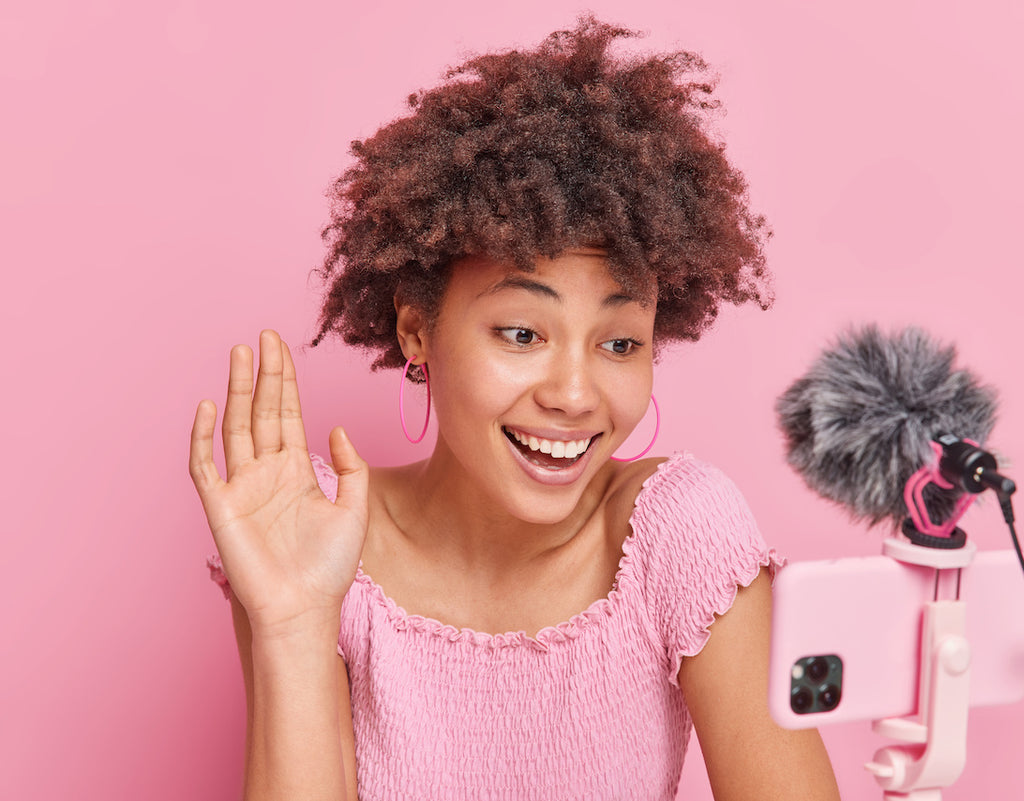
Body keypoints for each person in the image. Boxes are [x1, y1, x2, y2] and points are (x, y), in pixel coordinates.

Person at [189, 16, 840, 801]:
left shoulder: (681, 536)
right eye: (523, 333)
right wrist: (292, 626)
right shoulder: (320, 536)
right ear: (417, 328)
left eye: (620, 343)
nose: (574, 393)